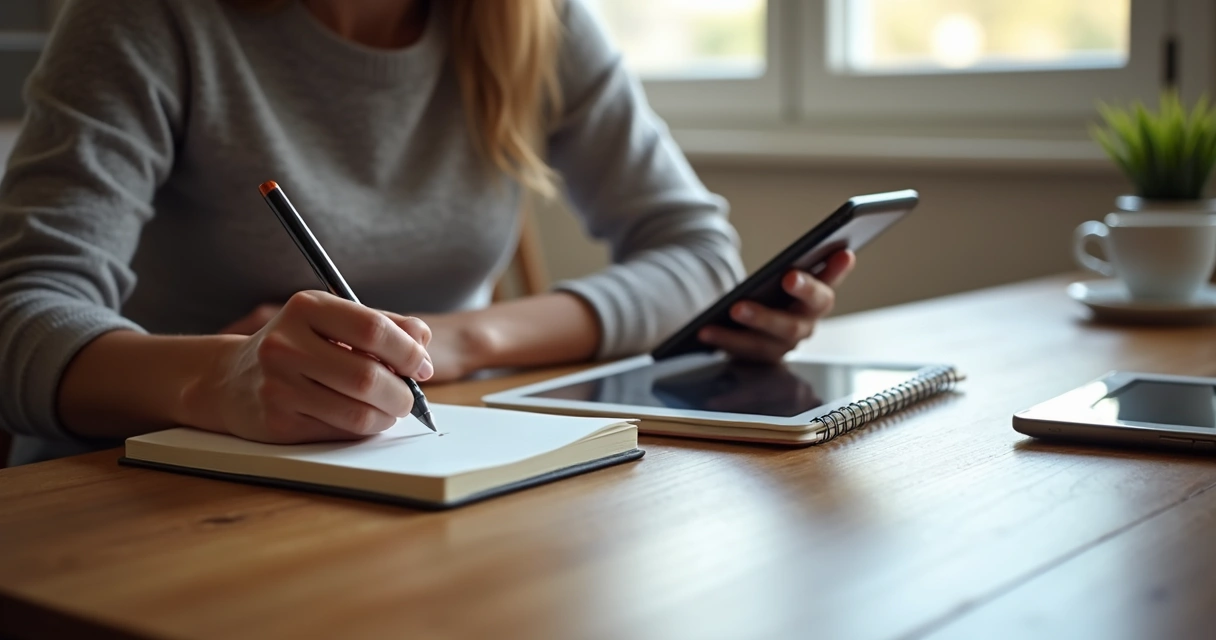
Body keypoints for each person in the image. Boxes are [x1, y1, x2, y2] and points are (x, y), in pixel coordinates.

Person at [0, 0, 855, 466]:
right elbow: (19, 313)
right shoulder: (145, 18)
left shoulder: (533, 19)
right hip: (131, 488)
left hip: (417, 470)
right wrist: (215, 381)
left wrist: (460, 340)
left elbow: (700, 257)